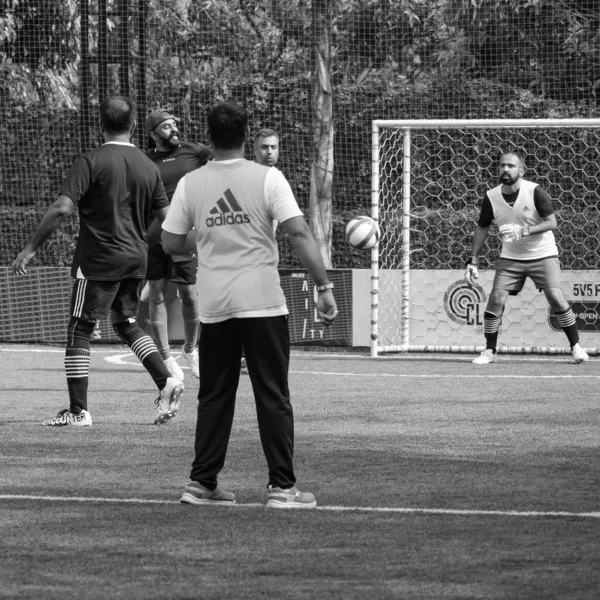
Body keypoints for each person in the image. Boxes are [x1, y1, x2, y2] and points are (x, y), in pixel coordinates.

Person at [161, 101, 338, 508]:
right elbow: (299, 233)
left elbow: (170, 243)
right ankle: (282, 489)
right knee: (272, 395)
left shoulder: (191, 182)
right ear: (246, 138)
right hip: (262, 305)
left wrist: (204, 237)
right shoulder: (268, 178)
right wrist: (324, 287)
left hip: (215, 307)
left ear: (209, 138)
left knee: (215, 396)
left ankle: (202, 484)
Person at [12, 95, 185, 427]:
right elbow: (167, 218)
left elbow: (63, 208)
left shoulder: (90, 160)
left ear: (100, 125)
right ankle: (167, 380)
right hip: (137, 259)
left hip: (98, 261)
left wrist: (30, 248)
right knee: (126, 323)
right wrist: (140, 242)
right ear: (134, 126)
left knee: (80, 327)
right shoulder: (149, 166)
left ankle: (78, 412)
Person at [465, 150, 589, 365]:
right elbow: (482, 226)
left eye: (511, 166)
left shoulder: (534, 191)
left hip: (543, 254)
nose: (505, 169)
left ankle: (576, 347)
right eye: (502, 165)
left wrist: (523, 231)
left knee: (555, 298)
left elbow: (552, 223)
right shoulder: (491, 196)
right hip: (511, 257)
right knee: (495, 300)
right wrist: (473, 259)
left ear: (521, 170)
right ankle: (489, 351)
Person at [144, 109, 213, 381]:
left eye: (174, 124)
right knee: (157, 293)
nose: (173, 129)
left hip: (186, 235)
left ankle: (190, 349)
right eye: (166, 126)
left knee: (190, 295)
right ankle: (164, 356)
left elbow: (222, 163)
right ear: (153, 134)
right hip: (154, 236)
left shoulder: (194, 152)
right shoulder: (145, 161)